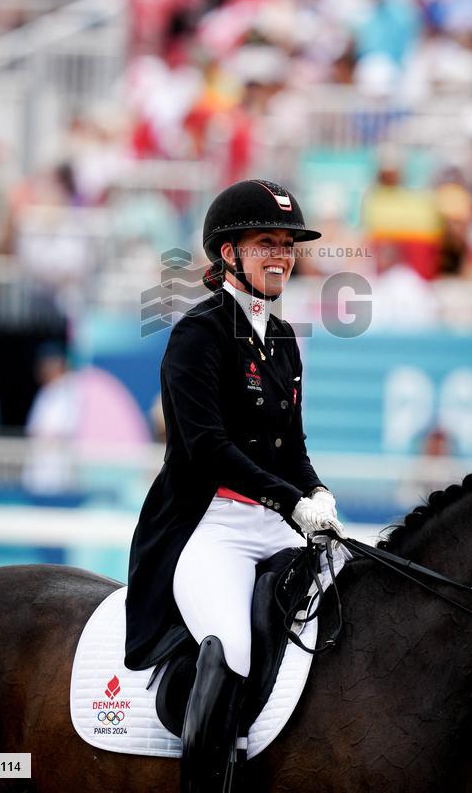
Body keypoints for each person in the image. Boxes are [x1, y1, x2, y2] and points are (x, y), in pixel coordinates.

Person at [124, 178, 343, 793]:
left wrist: (317, 492)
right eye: (266, 242)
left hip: (275, 520)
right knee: (233, 649)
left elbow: (291, 448)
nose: (282, 255)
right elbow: (207, 450)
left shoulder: (282, 339)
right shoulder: (199, 334)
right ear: (229, 254)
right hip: (210, 526)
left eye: (287, 244)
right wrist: (291, 501)